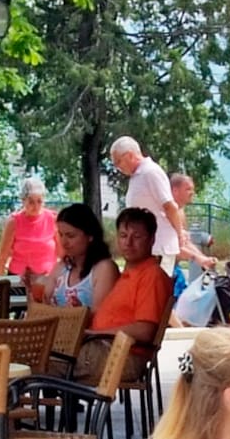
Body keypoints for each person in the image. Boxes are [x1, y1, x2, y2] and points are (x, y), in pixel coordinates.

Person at [73, 207, 171, 382]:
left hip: (123, 355)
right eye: (123, 236)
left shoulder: (151, 275)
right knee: (44, 353)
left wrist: (95, 334)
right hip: (103, 348)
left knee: (43, 358)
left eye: (137, 237)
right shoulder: (128, 274)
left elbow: (145, 331)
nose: (128, 243)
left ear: (151, 239)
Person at [111, 136, 188, 268]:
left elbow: (169, 206)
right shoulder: (137, 176)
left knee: (155, 287)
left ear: (130, 155)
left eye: (118, 162)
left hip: (158, 248)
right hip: (145, 248)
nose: (117, 167)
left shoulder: (150, 172)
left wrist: (180, 234)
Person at [0, 176, 59, 283]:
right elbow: (2, 256)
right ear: (23, 201)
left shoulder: (53, 219)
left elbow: (62, 254)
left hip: (47, 279)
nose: (36, 206)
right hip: (19, 280)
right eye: (31, 202)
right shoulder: (14, 222)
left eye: (39, 201)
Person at [168, 171, 216, 272]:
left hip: (173, 267)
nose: (192, 193)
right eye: (188, 189)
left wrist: (204, 259)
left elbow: (185, 242)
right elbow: (171, 246)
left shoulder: (180, 211)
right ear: (175, 191)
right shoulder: (167, 213)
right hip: (160, 268)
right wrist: (199, 259)